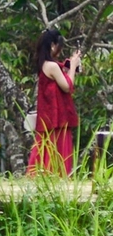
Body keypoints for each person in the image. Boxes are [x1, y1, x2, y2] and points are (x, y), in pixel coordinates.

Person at [31, 28, 80, 176]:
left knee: (45, 149)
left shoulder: (45, 64)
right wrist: (73, 67)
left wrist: (69, 66)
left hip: (48, 119)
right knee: (59, 150)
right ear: (53, 45)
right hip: (56, 119)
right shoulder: (51, 66)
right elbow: (67, 86)